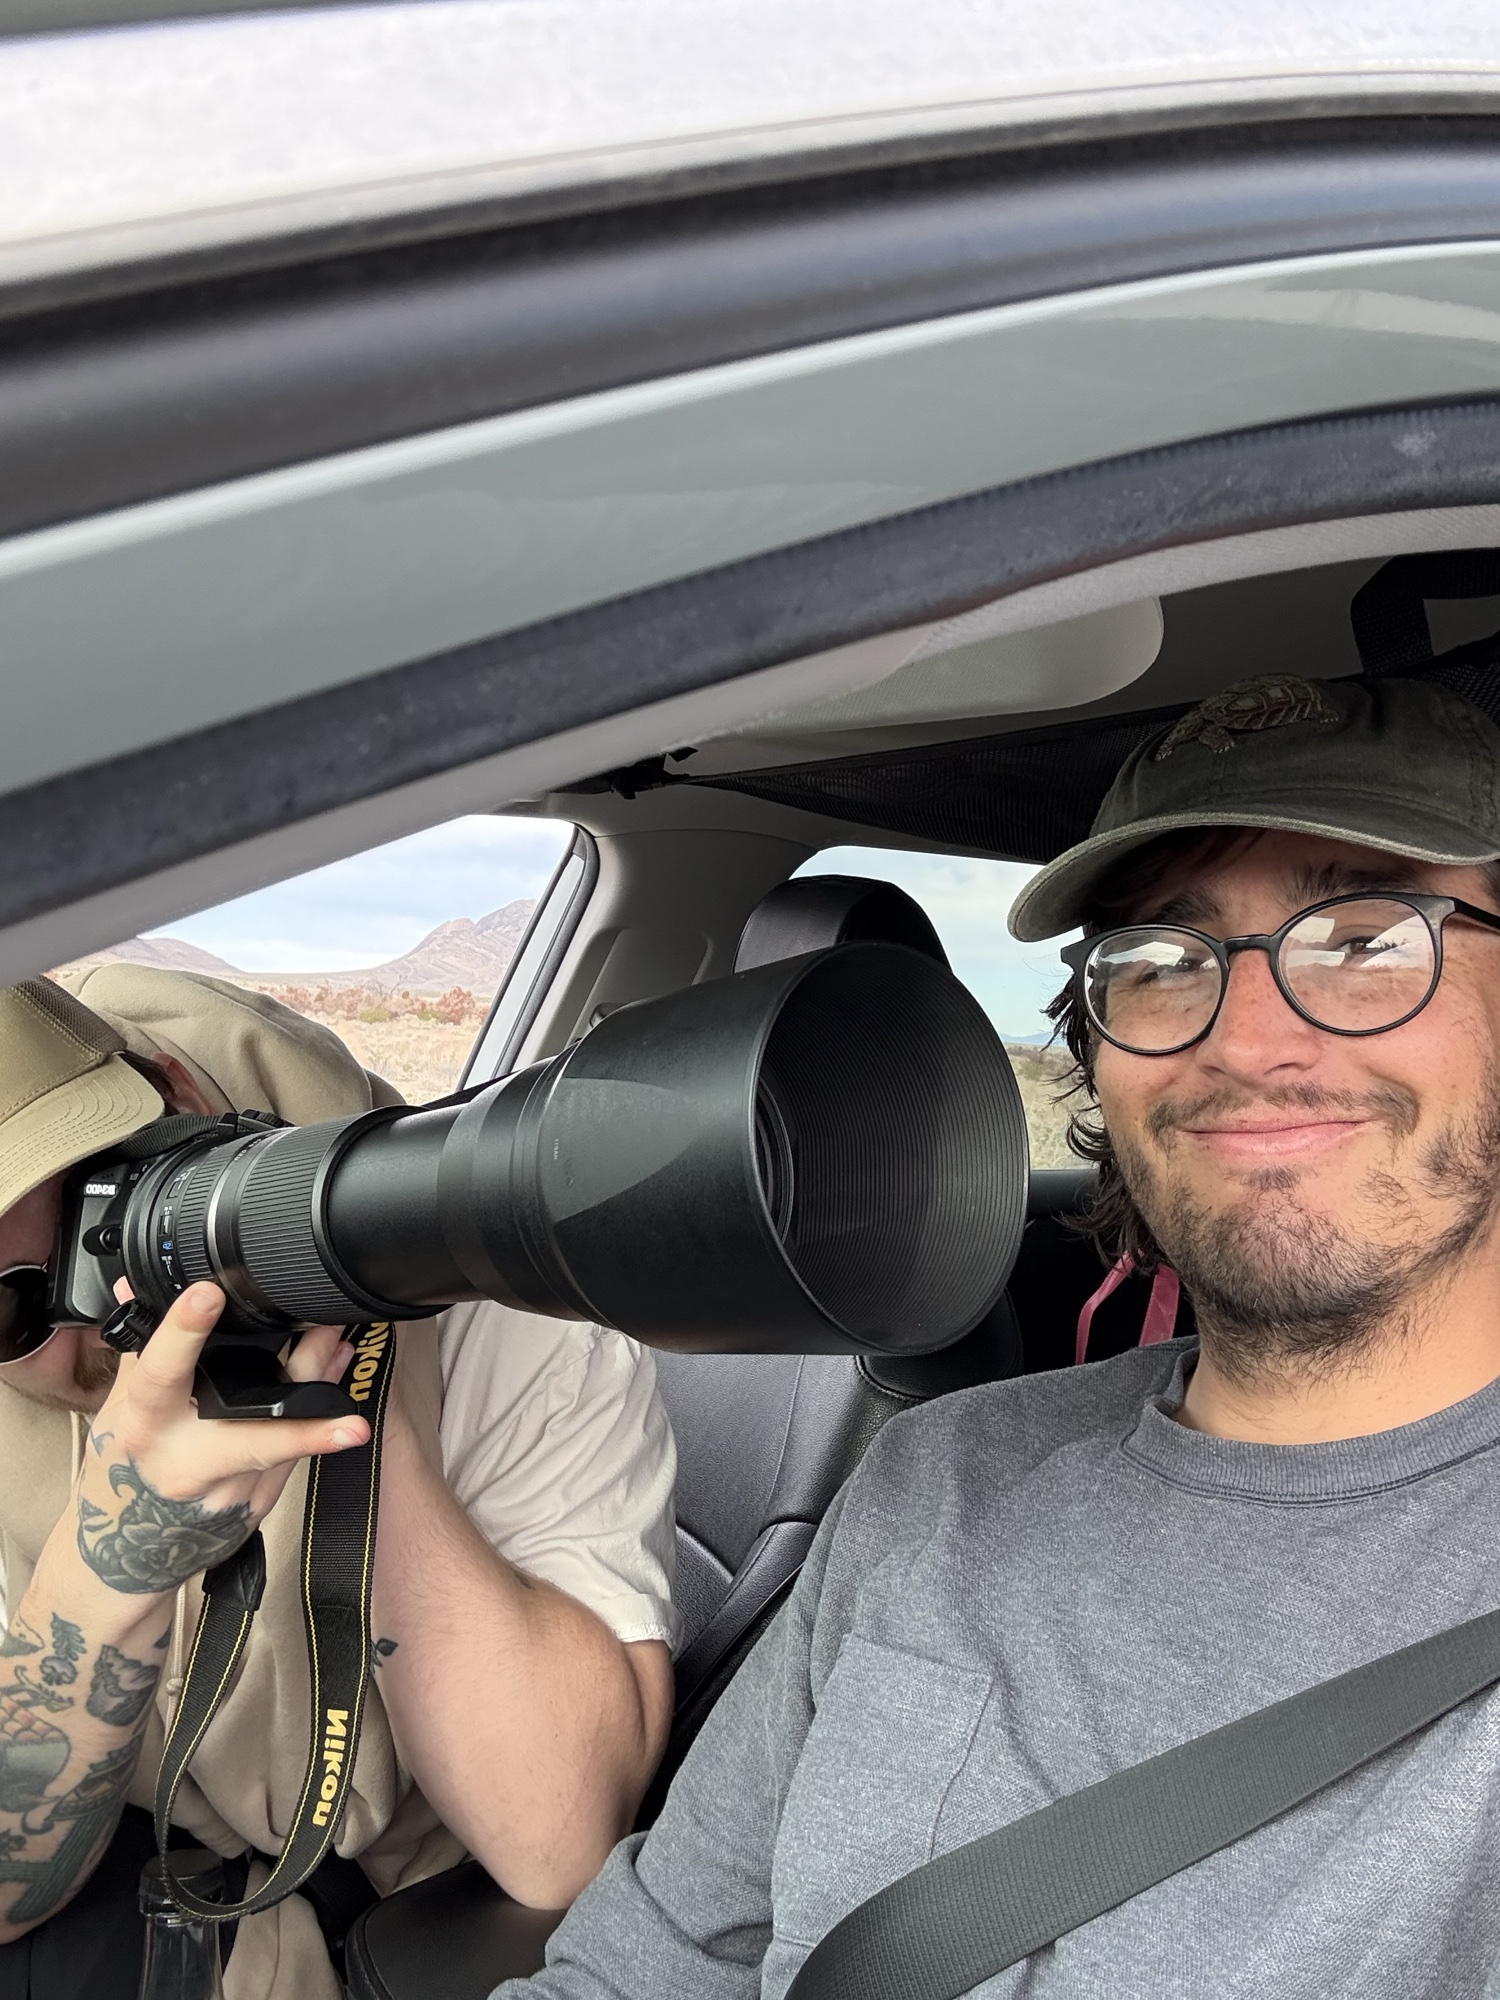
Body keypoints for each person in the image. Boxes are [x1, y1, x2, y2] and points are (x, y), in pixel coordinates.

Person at [501, 671, 1500, 1999]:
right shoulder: (942, 1471)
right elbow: (649, 1968)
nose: (1247, 1042)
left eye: (1366, 941)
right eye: (1159, 959)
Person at [0, 966, 679, 2000]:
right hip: (132, 1883)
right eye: (11, 1308)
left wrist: (354, 1368)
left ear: (179, 1095)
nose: (99, 1306)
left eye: (99, 1202)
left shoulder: (507, 1318)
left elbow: (556, 1839)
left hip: (395, 1912)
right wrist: (114, 1564)